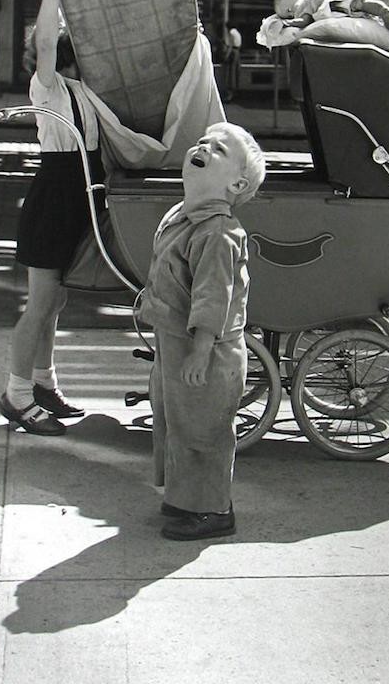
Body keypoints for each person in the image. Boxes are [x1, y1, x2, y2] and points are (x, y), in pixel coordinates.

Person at [138, 121, 266, 540]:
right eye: (204, 142)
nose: (205, 146)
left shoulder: (219, 233)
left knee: (203, 432)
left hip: (205, 352)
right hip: (178, 343)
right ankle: (186, 498)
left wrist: (201, 349)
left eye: (220, 150)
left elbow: (215, 297)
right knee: (177, 423)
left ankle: (213, 510)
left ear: (236, 184)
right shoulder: (185, 217)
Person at [0, 0, 100, 436]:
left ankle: (43, 384)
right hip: (55, 196)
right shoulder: (49, 87)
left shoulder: (85, 91)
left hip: (77, 195)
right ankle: (17, 396)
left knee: (55, 302)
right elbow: (43, 40)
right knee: (40, 303)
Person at [223, 25, 242, 101]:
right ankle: (235, 91)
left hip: (233, 52)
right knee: (236, 71)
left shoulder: (231, 33)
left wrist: (226, 56)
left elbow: (230, 45)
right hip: (238, 51)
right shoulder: (237, 33)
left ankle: (230, 93)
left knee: (231, 73)